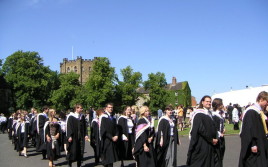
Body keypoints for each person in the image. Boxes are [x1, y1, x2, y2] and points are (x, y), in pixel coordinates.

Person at [187, 95, 219, 167]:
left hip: (209, 144)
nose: (209, 103)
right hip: (201, 143)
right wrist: (211, 139)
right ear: (202, 102)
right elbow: (200, 129)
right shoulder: (199, 113)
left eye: (210, 102)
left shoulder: (209, 113)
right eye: (207, 101)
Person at [239, 91, 268, 167]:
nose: (267, 104)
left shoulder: (259, 112)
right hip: (255, 146)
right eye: (267, 101)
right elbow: (248, 130)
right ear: (261, 99)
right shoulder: (251, 111)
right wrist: (253, 144)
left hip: (261, 143)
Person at [99, 103, 119, 167]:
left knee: (111, 159)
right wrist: (111, 137)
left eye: (112, 107)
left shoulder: (113, 117)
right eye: (109, 107)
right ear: (106, 108)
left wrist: (116, 135)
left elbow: (116, 128)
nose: (111, 108)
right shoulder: (104, 117)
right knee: (107, 159)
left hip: (113, 140)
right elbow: (103, 130)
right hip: (107, 140)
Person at [212, 98, 226, 167]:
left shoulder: (220, 114)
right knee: (217, 157)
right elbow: (214, 128)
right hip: (218, 137)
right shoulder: (214, 115)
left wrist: (223, 129)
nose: (223, 105)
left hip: (221, 136)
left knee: (221, 155)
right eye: (221, 104)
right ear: (218, 105)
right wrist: (220, 133)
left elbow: (221, 124)